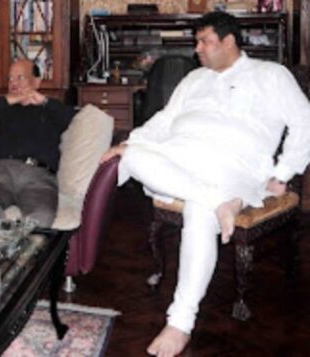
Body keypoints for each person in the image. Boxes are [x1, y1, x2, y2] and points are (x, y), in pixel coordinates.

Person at [101, 12, 310, 357]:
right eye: (197, 41)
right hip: (181, 159)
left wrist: (284, 172)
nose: (197, 49)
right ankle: (219, 202)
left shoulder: (271, 75)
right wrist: (131, 142)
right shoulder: (194, 79)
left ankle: (179, 323)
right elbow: (164, 120)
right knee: (130, 156)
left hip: (234, 166)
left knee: (198, 211)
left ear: (229, 42)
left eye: (205, 42)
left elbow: (305, 122)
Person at [0, 59, 76, 227]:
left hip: (39, 176)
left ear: (36, 81)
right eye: (10, 79)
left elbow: (73, 120)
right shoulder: (1, 108)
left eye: (20, 77)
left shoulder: (50, 109)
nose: (13, 83)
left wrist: (44, 101)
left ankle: (25, 252)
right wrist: (6, 100)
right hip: (0, 172)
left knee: (43, 215)